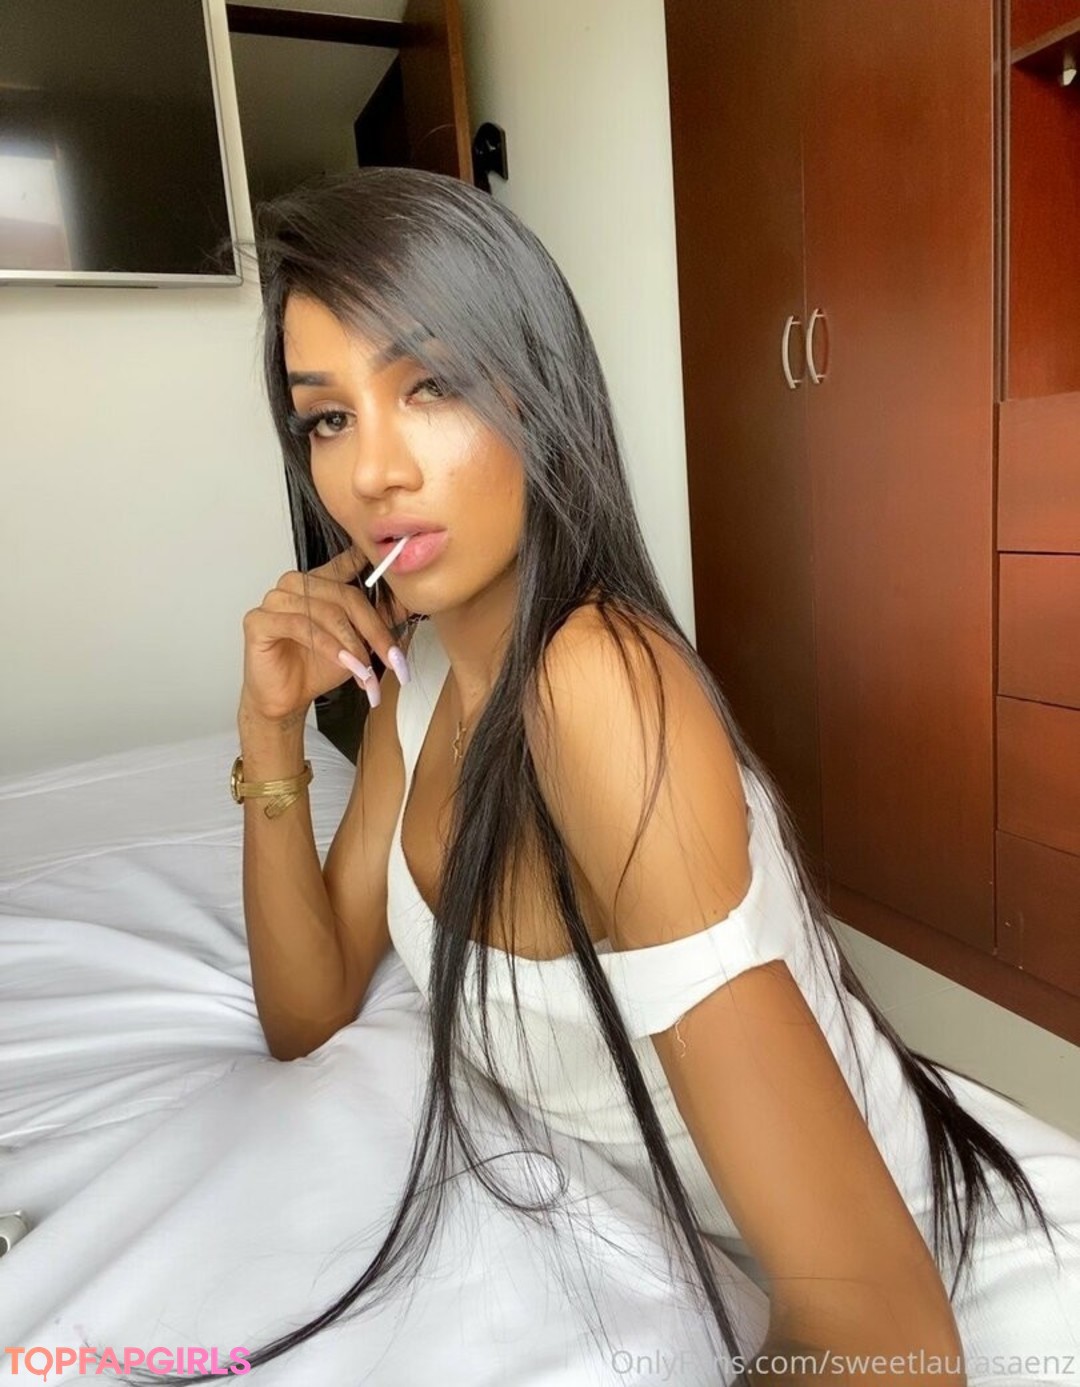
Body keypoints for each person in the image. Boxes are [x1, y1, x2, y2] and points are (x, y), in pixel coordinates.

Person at [125, 167, 1080, 1386]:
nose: (371, 473)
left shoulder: (598, 685)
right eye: (329, 419)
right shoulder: (415, 683)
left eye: (429, 386)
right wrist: (268, 732)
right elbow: (307, 1014)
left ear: (536, 390)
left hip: (960, 1274)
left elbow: (891, 1344)